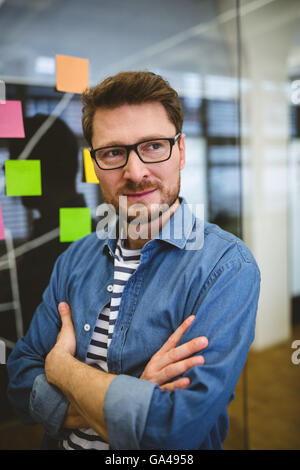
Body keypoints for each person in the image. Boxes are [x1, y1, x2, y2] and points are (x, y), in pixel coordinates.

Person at [6, 71, 260, 450]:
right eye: (113, 152)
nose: (135, 172)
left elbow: (174, 430)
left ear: (182, 152)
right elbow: (20, 383)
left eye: (154, 146)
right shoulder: (75, 258)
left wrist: (63, 370)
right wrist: (135, 397)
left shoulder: (227, 267)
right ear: (93, 165)